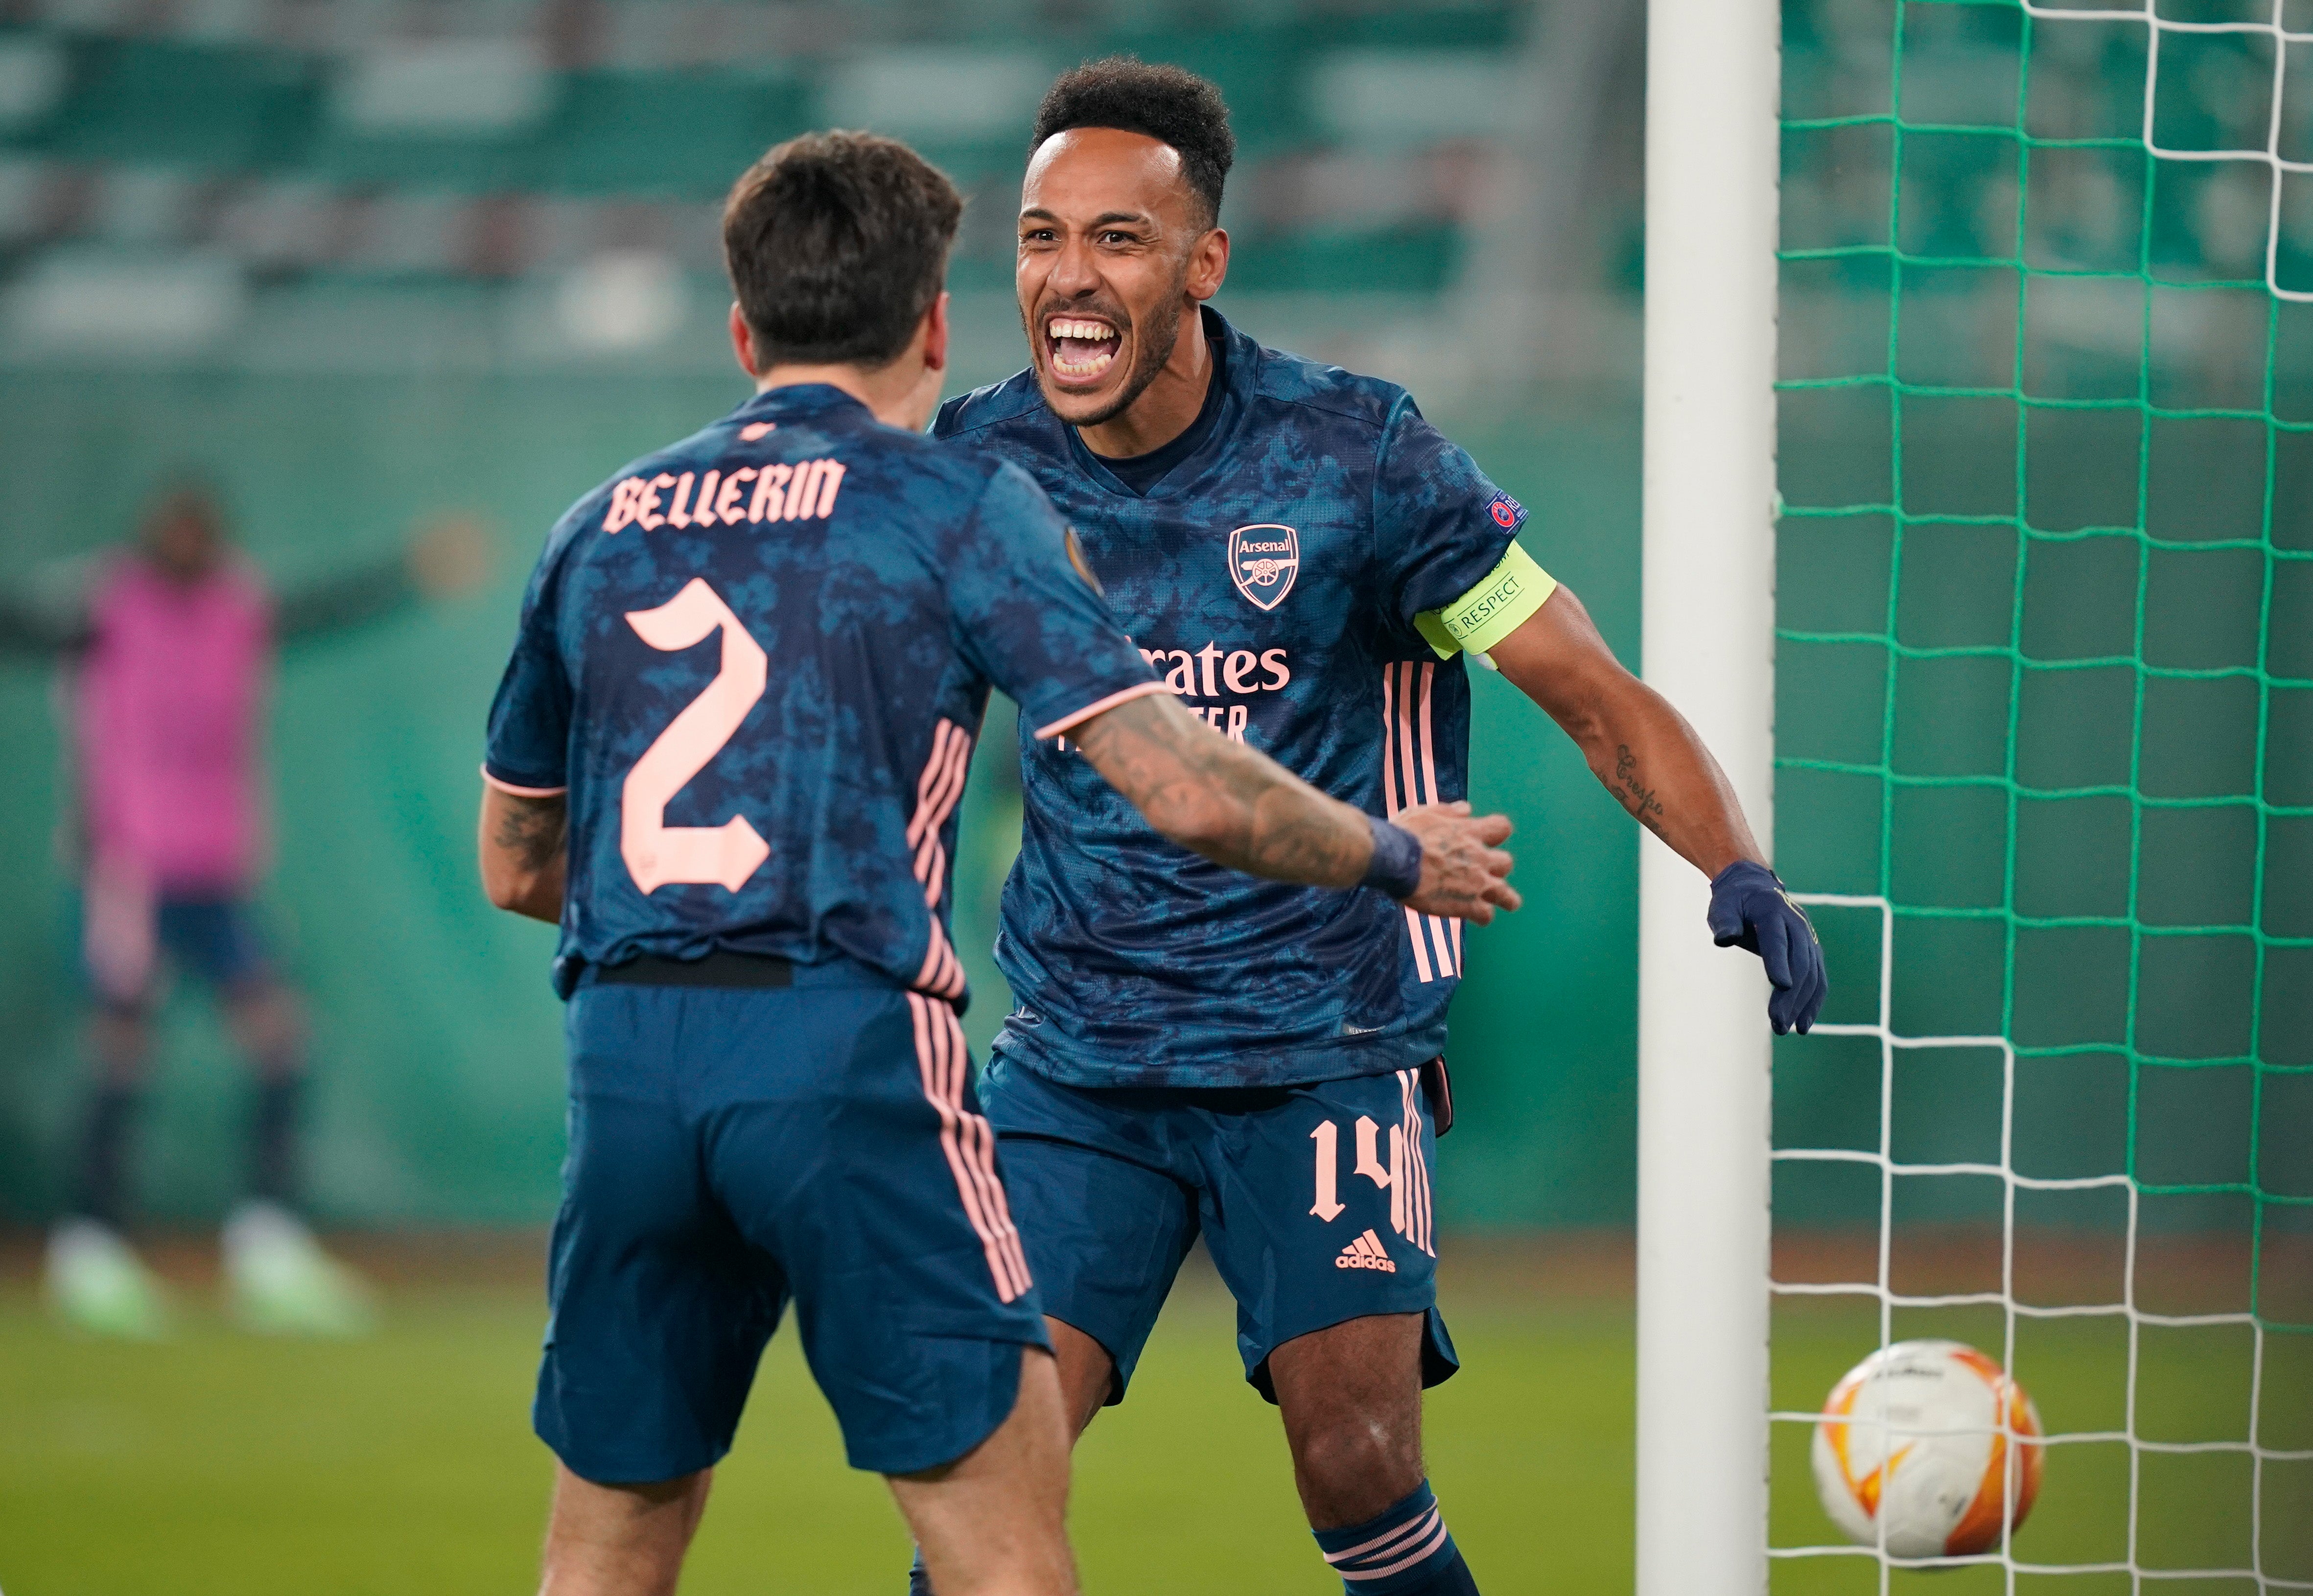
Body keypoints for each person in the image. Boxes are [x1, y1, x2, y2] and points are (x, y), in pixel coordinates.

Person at [475, 129, 1517, 1596]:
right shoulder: (956, 500)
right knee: (999, 1537)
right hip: (844, 1045)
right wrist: (1395, 853)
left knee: (603, 1546)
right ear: (934, 321)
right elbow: (1182, 786)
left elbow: (517, 862)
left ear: (738, 325)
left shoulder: (601, 524)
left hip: (629, 1058)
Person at [924, 60, 1830, 1596]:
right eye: (1038, 236)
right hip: (1079, 1062)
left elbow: (1586, 684)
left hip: (1324, 1046)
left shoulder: (1360, 461)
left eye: (1118, 241)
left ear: (1204, 262)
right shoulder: (975, 463)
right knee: (987, 1471)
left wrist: (1733, 860)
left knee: (1360, 1474)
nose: (1068, 277)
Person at [0, 481, 484, 1339]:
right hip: (132, 877)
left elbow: (323, 609)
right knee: (119, 1053)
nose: (189, 545)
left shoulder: (238, 611)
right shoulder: (106, 614)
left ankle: (267, 1244)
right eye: (175, 533)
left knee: (281, 1044)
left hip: (218, 878)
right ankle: (91, 1250)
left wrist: (408, 574)